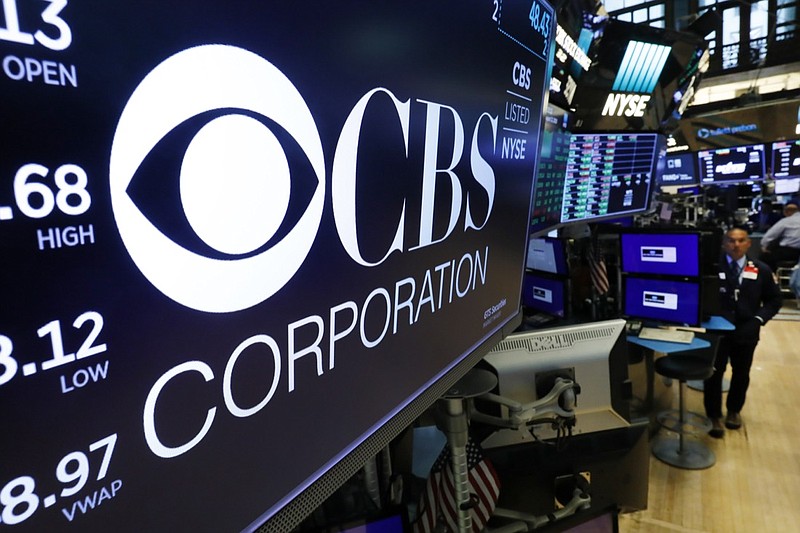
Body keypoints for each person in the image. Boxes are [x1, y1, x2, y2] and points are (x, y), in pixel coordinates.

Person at [704, 226, 783, 438]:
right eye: (731, 240)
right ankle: (713, 415)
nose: (736, 245)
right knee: (713, 373)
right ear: (723, 244)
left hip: (747, 330)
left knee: (741, 373)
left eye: (741, 241)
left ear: (748, 243)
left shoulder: (761, 269)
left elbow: (775, 300)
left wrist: (759, 319)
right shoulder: (711, 268)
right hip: (717, 330)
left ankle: (733, 411)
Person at [759, 199, 800, 271]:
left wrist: (764, 247)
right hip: (797, 255)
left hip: (788, 252)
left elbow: (768, 237)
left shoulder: (786, 221)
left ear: (787, 211)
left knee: (763, 258)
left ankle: (771, 279)